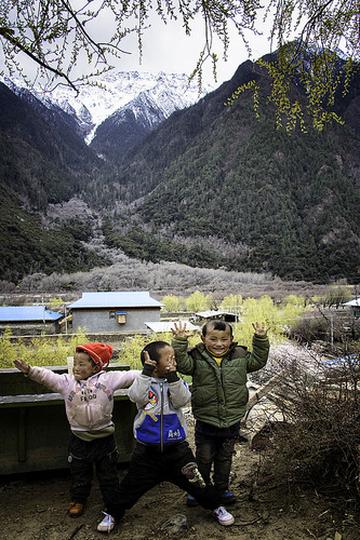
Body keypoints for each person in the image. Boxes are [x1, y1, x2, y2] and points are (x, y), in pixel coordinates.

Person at [94, 340, 235, 533]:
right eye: (169, 358)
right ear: (152, 361)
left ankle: (216, 506)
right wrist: (145, 372)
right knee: (129, 487)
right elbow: (136, 397)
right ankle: (113, 513)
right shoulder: (143, 383)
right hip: (146, 452)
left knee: (198, 482)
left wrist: (172, 377)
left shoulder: (177, 381)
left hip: (177, 450)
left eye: (174, 358)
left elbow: (183, 400)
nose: (174, 362)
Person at [14, 342, 139, 531]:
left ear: (96, 366)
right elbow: (47, 377)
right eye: (75, 363)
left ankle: (112, 503)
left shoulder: (108, 380)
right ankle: (79, 499)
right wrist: (30, 370)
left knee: (108, 474)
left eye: (82, 364)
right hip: (79, 438)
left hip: (104, 438)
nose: (76, 367)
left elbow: (130, 376)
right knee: (80, 472)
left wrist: (149, 370)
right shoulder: (67, 382)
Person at [171, 319, 269, 507]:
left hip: (231, 419)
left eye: (224, 339)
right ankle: (199, 489)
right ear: (203, 338)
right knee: (204, 457)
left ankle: (221, 489)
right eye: (213, 339)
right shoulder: (197, 357)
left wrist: (260, 339)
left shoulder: (240, 355)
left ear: (231, 339)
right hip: (206, 418)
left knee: (225, 458)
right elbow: (183, 365)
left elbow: (258, 361)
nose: (219, 344)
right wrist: (180, 342)